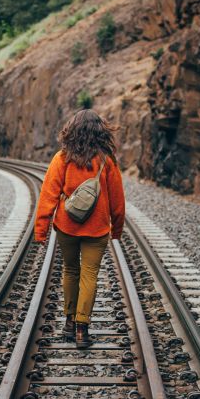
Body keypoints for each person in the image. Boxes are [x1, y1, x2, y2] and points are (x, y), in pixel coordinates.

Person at [34, 109, 125, 348]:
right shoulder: (108, 160)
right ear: (100, 131)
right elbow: (118, 201)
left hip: (67, 226)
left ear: (71, 130)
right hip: (96, 229)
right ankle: (82, 330)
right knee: (90, 274)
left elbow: (48, 196)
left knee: (70, 270)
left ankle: (68, 322)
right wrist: (116, 229)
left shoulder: (62, 158)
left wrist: (41, 230)